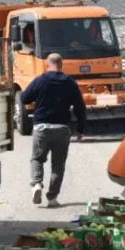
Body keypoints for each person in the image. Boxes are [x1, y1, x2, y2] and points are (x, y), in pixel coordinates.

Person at [21, 53, 86, 208]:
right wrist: (81, 130)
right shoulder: (70, 83)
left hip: (41, 128)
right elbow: (80, 108)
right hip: (62, 128)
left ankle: (36, 184)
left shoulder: (40, 80)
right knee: (58, 165)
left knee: (37, 159)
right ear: (61, 65)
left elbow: (24, 99)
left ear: (47, 64)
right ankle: (52, 198)